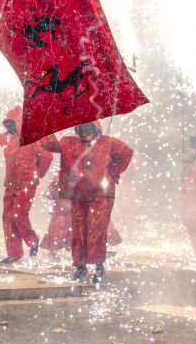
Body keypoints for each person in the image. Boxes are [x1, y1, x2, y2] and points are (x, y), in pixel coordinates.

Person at [42, 121, 133, 285]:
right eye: (81, 129)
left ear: (96, 128)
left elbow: (127, 153)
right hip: (78, 194)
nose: (85, 133)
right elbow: (49, 145)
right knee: (79, 230)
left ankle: (99, 266)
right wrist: (46, 123)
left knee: (97, 229)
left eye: (88, 129)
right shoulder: (69, 142)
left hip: (101, 195)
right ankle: (80, 266)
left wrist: (113, 171)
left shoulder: (109, 142)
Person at [0, 107, 54, 265]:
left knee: (18, 214)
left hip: (27, 184)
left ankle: (32, 240)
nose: (9, 128)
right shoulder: (6, 139)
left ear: (20, 123)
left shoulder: (32, 140)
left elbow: (47, 157)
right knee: (8, 217)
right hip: (10, 183)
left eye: (12, 124)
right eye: (7, 124)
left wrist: (38, 173)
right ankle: (14, 253)